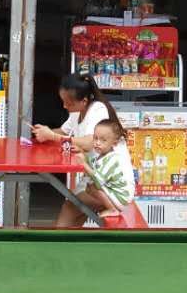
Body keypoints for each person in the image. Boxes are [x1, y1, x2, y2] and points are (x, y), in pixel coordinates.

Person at [31, 73, 121, 224]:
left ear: (84, 101)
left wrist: (52, 136)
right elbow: (63, 131)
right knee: (74, 210)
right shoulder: (77, 111)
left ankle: (58, 240)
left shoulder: (98, 110)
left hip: (111, 182)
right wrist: (45, 132)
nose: (64, 106)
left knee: (71, 206)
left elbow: (90, 142)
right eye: (63, 101)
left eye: (69, 103)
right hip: (94, 177)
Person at [75, 118, 137, 223]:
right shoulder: (103, 155)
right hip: (116, 195)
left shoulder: (112, 159)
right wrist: (82, 153)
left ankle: (112, 210)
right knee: (87, 189)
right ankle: (107, 207)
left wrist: (84, 164)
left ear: (114, 143)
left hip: (121, 198)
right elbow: (93, 166)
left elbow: (99, 181)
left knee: (93, 187)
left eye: (103, 140)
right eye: (95, 138)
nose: (97, 143)